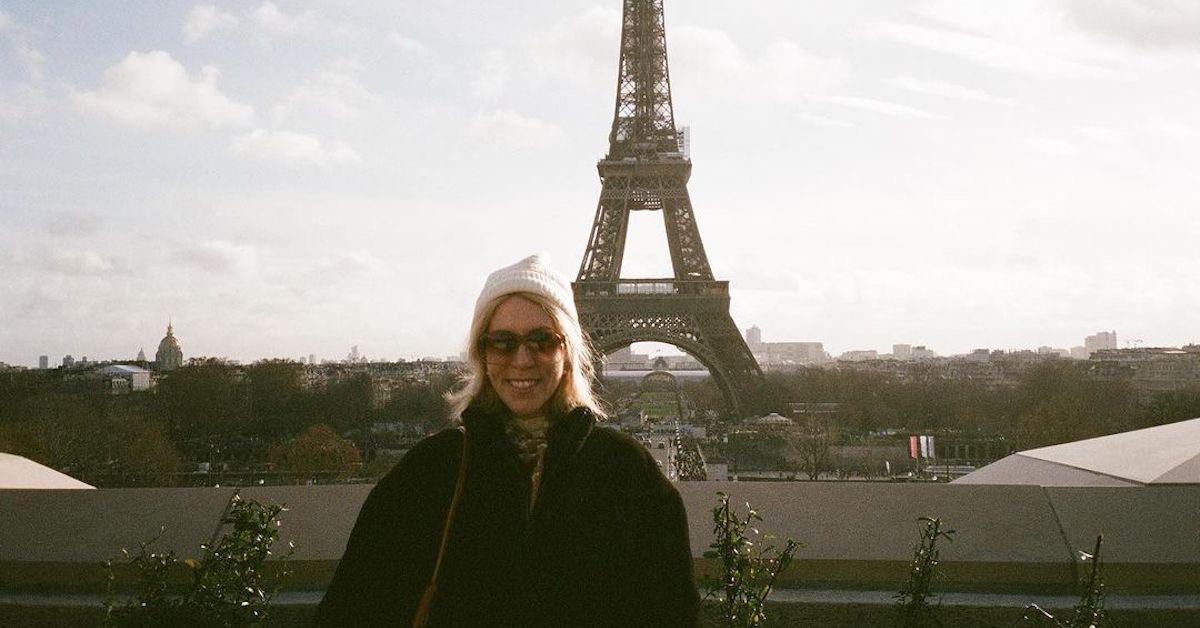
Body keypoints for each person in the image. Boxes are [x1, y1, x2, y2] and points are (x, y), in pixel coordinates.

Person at [315, 255, 700, 627]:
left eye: (542, 340)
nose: (522, 359)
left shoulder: (628, 472)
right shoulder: (431, 471)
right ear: (481, 353)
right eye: (502, 342)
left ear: (568, 352)